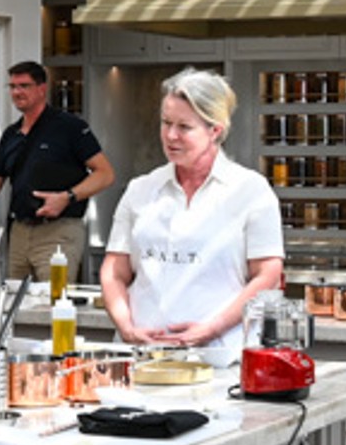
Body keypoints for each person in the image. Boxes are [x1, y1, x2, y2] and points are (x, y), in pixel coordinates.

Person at [101, 69, 285, 367]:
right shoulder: (140, 190)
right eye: (166, 123)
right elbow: (114, 272)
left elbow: (268, 276)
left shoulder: (250, 191)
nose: (170, 135)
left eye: (184, 127)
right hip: (141, 359)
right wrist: (126, 327)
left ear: (215, 130)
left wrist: (211, 329)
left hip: (219, 358)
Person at [0, 61, 116, 290]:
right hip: (19, 232)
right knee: (14, 306)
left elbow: (105, 174)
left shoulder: (69, 127)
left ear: (42, 88)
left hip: (59, 231)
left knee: (54, 304)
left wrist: (67, 197)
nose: (17, 92)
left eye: (24, 85)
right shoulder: (11, 135)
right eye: (12, 86)